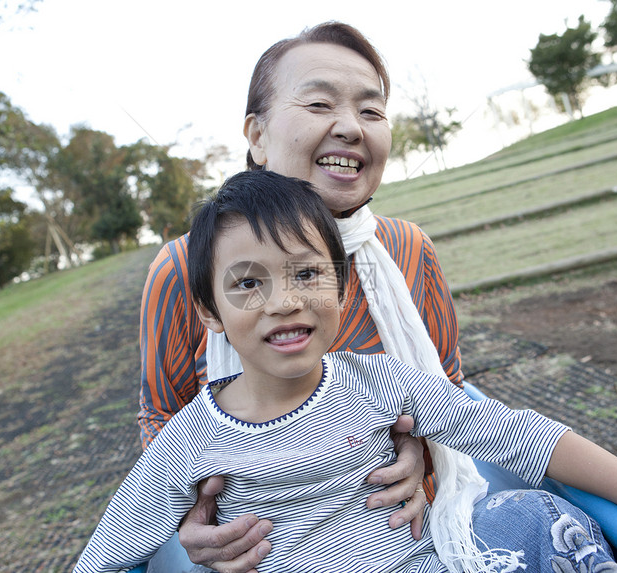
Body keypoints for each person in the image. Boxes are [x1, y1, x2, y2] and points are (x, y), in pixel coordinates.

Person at [79, 171, 617, 573]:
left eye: (307, 273)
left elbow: (517, 435)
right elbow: (108, 552)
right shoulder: (191, 439)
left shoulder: (377, 382)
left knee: (542, 519)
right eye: (247, 283)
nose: (284, 300)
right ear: (208, 311)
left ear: (340, 285)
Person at [139, 21, 452, 572]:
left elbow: (450, 390)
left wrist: (419, 452)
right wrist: (194, 518)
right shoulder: (184, 267)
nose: (351, 128)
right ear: (256, 136)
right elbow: (162, 420)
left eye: (372, 111)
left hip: (404, 533)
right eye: (318, 104)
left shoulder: (407, 249)